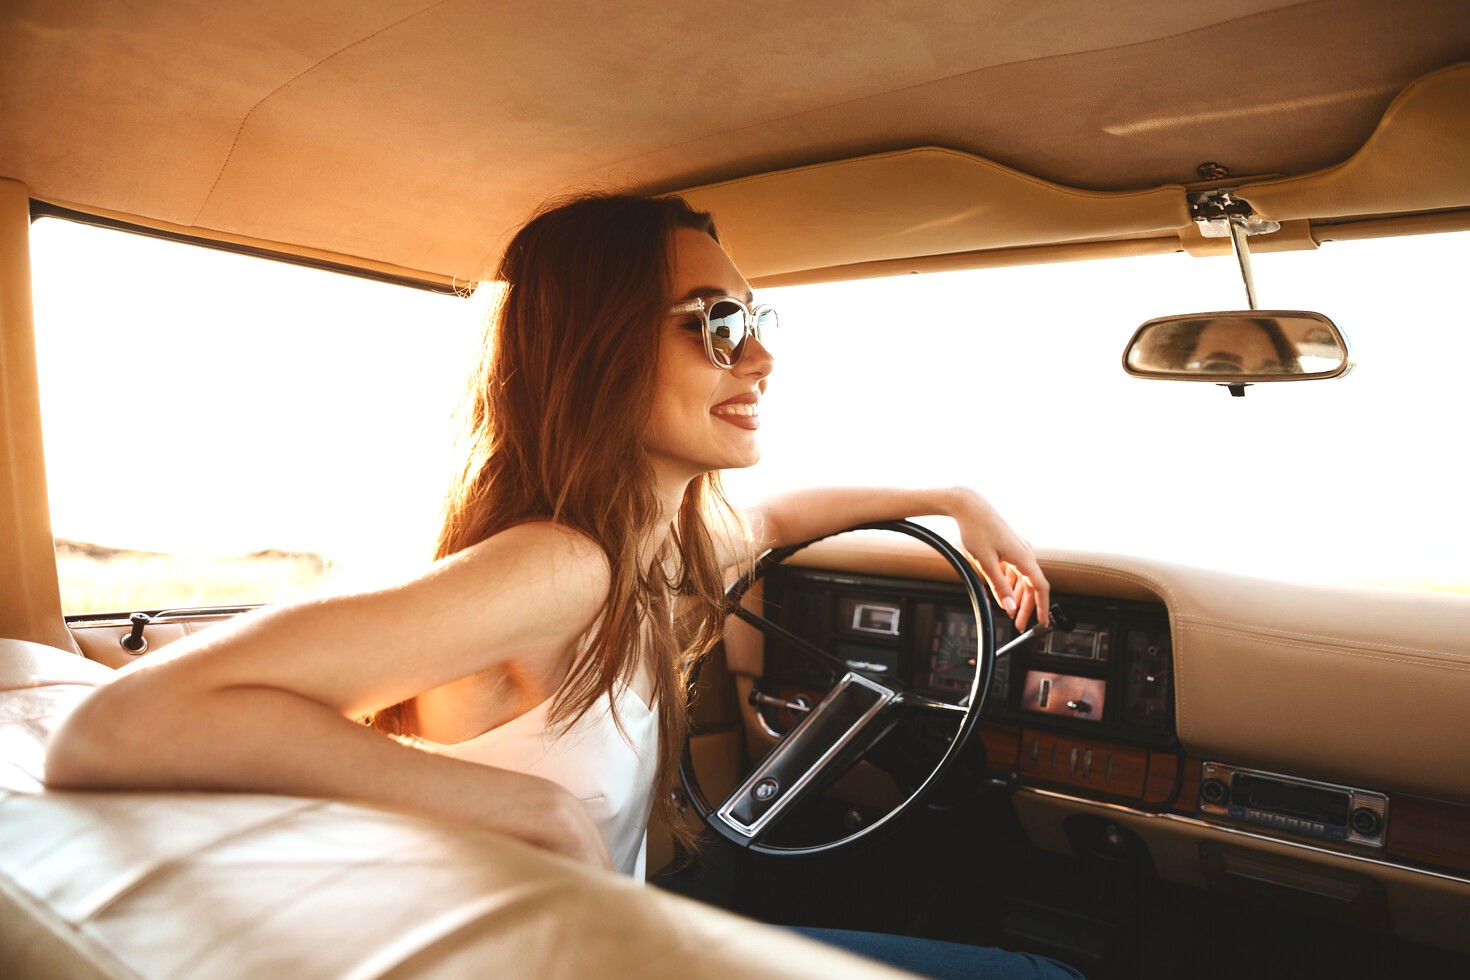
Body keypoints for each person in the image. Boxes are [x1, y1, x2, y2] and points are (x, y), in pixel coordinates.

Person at [46, 193, 1074, 978]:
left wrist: (955, 495)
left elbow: (776, 517)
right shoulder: (562, 564)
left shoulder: (653, 552)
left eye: (759, 317)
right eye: (715, 323)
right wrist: (530, 813)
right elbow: (118, 727)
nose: (759, 355)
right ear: (597, 350)